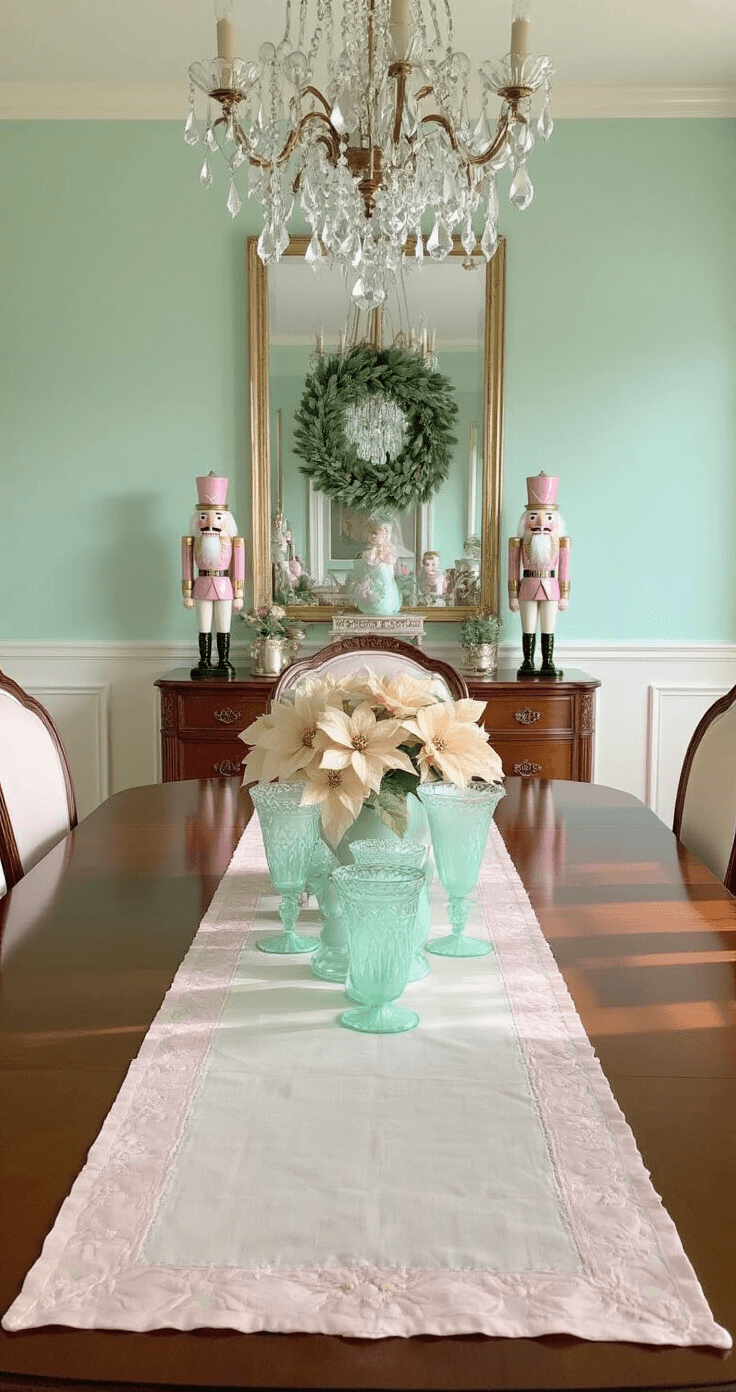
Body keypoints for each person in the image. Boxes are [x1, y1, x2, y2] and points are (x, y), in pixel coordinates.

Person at [507, 472, 570, 678]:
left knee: (548, 627)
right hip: (527, 587)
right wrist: (512, 595)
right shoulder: (518, 542)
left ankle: (547, 662)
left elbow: (565, 570)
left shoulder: (561, 543)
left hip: (551, 588)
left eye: (548, 517)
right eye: (533, 517)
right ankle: (528, 661)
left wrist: (565, 595)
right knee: (528, 627)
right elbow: (513, 569)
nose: (541, 523)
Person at [182, 473, 245, 679]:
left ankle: (224, 661)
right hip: (201, 586)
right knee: (204, 626)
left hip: (225, 586)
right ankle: (205, 660)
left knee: (224, 625)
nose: (210, 523)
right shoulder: (192, 541)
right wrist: (187, 593)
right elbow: (186, 567)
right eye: (204, 517)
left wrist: (239, 594)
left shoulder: (234, 542)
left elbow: (238, 567)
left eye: (217, 517)